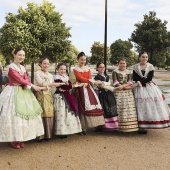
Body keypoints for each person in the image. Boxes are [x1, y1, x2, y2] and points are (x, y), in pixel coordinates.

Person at [0, 47, 44, 149]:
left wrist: (24, 83)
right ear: (14, 55)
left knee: (23, 116)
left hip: (23, 91)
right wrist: (32, 86)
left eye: (23, 55)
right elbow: (20, 79)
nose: (21, 57)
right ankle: (13, 139)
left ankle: (20, 138)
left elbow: (25, 79)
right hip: (13, 92)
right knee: (13, 116)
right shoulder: (11, 67)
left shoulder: (22, 67)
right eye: (19, 55)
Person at [132, 51, 170, 133]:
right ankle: (140, 126)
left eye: (146, 57)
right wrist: (138, 83)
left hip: (149, 87)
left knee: (149, 105)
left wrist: (139, 82)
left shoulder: (150, 66)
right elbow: (135, 77)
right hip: (138, 88)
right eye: (143, 57)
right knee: (139, 106)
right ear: (139, 57)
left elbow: (149, 78)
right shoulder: (135, 67)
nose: (144, 58)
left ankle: (147, 124)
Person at [73, 52, 105, 135]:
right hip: (79, 89)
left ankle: (85, 127)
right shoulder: (75, 69)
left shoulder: (87, 68)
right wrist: (93, 81)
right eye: (81, 60)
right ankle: (80, 127)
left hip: (88, 88)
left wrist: (91, 81)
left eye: (84, 60)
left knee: (90, 106)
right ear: (77, 59)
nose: (83, 61)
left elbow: (89, 77)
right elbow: (81, 79)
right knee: (81, 107)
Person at [34, 58, 64, 141]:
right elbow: (41, 83)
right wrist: (52, 84)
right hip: (40, 96)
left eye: (48, 64)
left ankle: (48, 135)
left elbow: (46, 86)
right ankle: (40, 136)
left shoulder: (50, 75)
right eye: (44, 63)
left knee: (49, 112)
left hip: (48, 95)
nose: (46, 65)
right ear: (40, 64)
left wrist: (45, 86)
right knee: (40, 113)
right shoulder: (37, 73)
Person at [53, 63, 82, 138]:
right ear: (57, 70)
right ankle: (61, 132)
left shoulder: (66, 77)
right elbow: (66, 86)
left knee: (68, 114)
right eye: (61, 69)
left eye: (64, 69)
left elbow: (68, 86)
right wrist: (72, 86)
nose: (63, 71)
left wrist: (70, 86)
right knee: (61, 114)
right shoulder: (56, 78)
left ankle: (68, 130)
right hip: (60, 97)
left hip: (67, 96)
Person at [112, 58, 139, 132]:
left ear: (126, 64)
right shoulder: (115, 71)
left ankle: (129, 126)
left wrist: (123, 86)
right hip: (118, 91)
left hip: (127, 90)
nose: (122, 65)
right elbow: (115, 80)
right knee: (119, 107)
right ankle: (118, 126)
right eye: (121, 63)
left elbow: (130, 81)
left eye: (124, 63)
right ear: (118, 64)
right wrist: (119, 85)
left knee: (128, 107)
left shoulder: (129, 72)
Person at [94, 62, 119, 131]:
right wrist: (112, 88)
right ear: (97, 68)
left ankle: (111, 125)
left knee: (110, 107)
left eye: (103, 67)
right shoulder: (97, 77)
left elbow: (107, 84)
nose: (102, 68)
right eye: (100, 67)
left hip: (109, 94)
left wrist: (108, 85)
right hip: (101, 94)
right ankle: (100, 126)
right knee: (102, 108)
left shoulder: (106, 76)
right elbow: (102, 86)